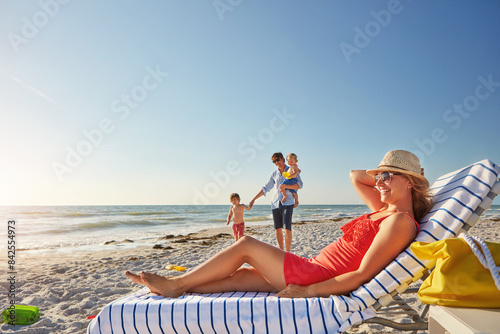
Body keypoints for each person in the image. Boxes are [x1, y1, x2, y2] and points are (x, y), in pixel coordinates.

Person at [125, 150, 433, 300]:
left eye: (387, 176)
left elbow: (362, 274)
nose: (378, 181)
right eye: (379, 176)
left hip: (316, 275)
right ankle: (182, 288)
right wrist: (385, 176)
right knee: (243, 275)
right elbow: (354, 175)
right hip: (310, 264)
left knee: (245, 246)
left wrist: (309, 291)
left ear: (411, 183)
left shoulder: (399, 222)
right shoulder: (384, 208)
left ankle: (175, 284)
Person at [250, 152, 303, 253]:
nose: (277, 162)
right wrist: (254, 199)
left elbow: (300, 185)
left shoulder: (292, 169)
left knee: (287, 228)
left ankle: (287, 253)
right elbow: (266, 188)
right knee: (278, 229)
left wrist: (286, 186)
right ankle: (281, 252)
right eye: (274, 161)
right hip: (275, 203)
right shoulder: (274, 174)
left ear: (283, 159)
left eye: (278, 160)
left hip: (288, 202)